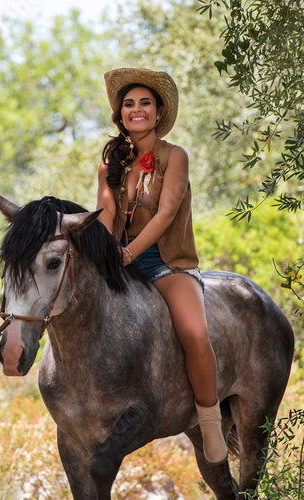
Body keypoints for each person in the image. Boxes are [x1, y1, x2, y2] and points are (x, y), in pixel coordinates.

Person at [96, 67, 227, 465]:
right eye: (129, 104)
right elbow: (105, 212)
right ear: (120, 115)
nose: (136, 110)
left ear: (158, 111)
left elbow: (167, 213)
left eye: (145, 103)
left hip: (165, 262)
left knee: (195, 333)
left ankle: (209, 422)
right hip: (118, 260)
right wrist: (103, 251)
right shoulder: (109, 162)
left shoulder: (175, 156)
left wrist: (130, 253)